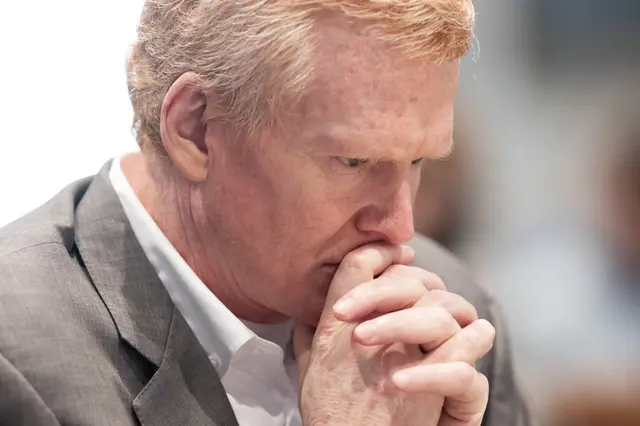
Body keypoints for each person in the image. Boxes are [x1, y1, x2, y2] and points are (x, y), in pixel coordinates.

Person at [0, 1, 533, 425]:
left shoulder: (452, 312)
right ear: (196, 128)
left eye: (417, 160)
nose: (400, 227)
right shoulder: (20, 359)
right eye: (353, 160)